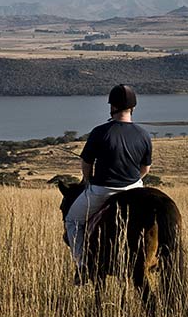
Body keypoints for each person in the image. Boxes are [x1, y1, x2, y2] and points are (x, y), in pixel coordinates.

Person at [65, 84, 152, 285]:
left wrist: (87, 181)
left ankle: (83, 265)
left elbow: (87, 163)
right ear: (133, 108)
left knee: (73, 221)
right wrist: (132, 182)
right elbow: (145, 169)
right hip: (134, 190)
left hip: (102, 190)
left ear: (112, 106)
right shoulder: (144, 134)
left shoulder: (99, 132)